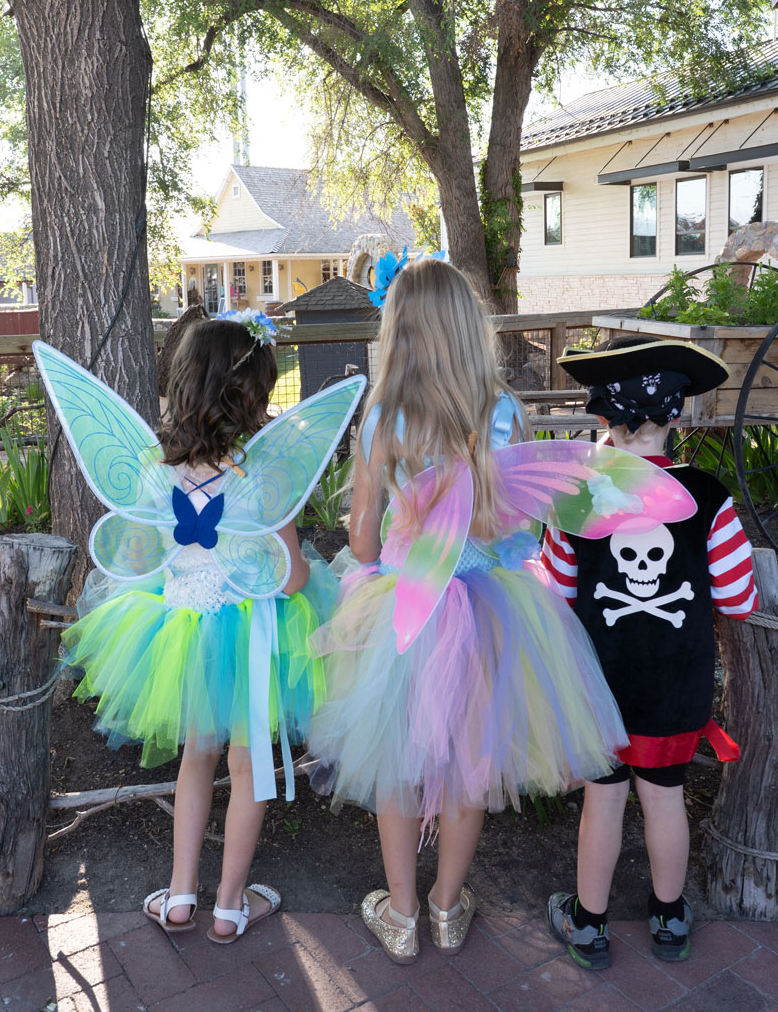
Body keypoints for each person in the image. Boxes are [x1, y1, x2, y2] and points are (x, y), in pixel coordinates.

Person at [306, 256, 628, 964]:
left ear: (400, 330)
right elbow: (518, 525)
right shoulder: (504, 411)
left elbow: (361, 540)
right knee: (471, 759)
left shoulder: (383, 419)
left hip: (404, 609)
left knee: (394, 756)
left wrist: (392, 542)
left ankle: (401, 914)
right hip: (491, 608)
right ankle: (448, 908)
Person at [52, 315, 345, 944]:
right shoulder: (263, 475)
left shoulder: (153, 472)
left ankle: (181, 895)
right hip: (253, 637)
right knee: (249, 766)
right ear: (250, 395)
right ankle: (229, 906)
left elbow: (136, 561)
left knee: (195, 758)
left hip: (182, 637)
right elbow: (293, 576)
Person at [544, 334, 758, 970]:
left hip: (600, 682)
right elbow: (739, 597)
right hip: (676, 683)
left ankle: (589, 925)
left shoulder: (575, 497)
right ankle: (669, 918)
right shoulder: (709, 495)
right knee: (664, 795)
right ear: (676, 417)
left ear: (602, 419)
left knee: (604, 798)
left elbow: (556, 593)